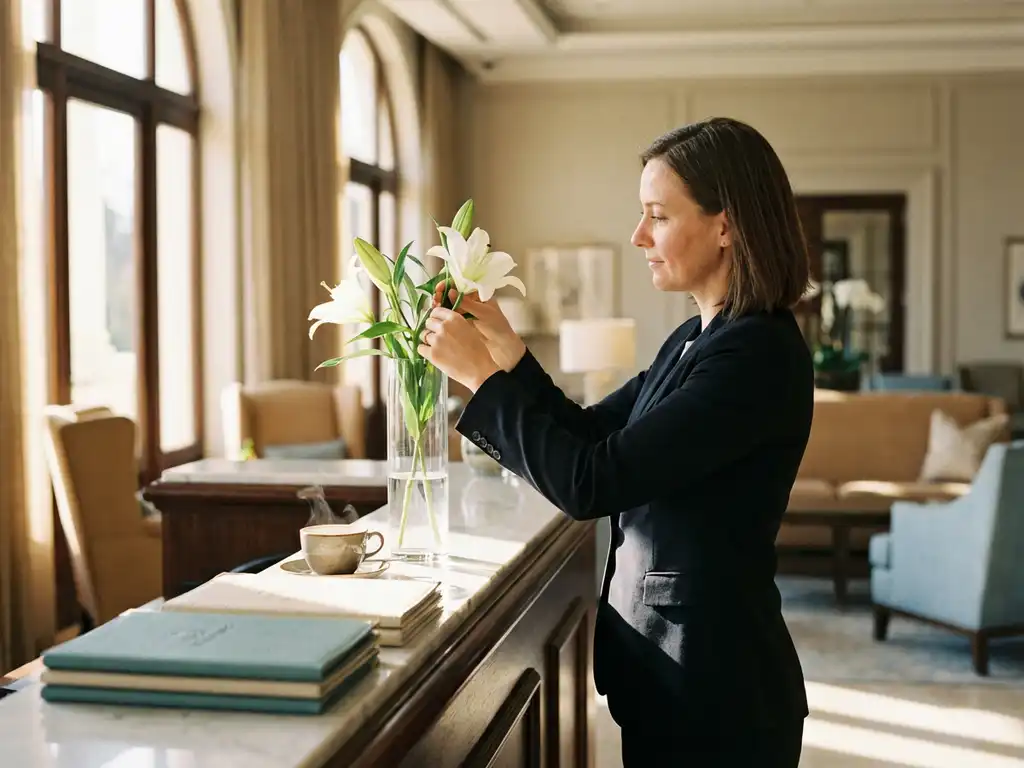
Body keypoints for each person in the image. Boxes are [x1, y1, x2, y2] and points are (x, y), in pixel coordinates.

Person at [419, 116, 813, 767]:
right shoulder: (696, 339)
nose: (639, 237)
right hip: (671, 680)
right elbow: (593, 434)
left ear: (726, 224)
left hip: (718, 696)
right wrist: (507, 353)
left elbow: (591, 483)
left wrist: (479, 380)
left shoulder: (756, 354)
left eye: (657, 215)